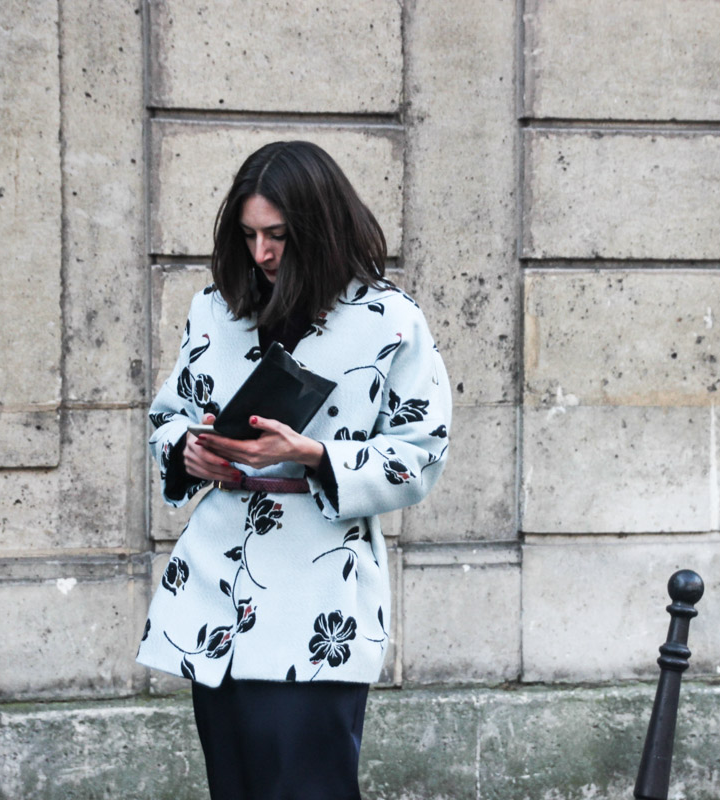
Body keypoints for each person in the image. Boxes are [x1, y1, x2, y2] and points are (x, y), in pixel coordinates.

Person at [137, 140, 451, 799]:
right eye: (248, 234)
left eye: (277, 235)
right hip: (216, 590)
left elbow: (421, 452)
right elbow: (168, 415)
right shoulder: (215, 308)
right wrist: (188, 450)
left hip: (318, 597)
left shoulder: (390, 320)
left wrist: (311, 455)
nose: (261, 253)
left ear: (320, 225)